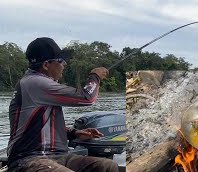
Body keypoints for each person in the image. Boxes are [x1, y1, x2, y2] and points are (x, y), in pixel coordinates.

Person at [7, 37, 118, 172]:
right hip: (28, 158)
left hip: (57, 156)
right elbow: (87, 97)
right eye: (60, 61)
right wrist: (95, 77)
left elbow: (43, 127)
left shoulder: (40, 85)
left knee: (107, 166)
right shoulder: (35, 83)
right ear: (46, 65)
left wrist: (75, 133)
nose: (64, 64)